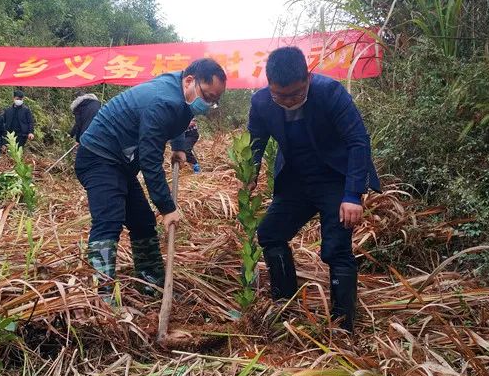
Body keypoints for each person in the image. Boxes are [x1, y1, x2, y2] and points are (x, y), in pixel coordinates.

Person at [248, 46, 380, 333]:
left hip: (335, 179)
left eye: (295, 94)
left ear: (307, 78)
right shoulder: (261, 102)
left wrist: (352, 195)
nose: (287, 101)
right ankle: (285, 305)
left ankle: (343, 326)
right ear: (268, 83)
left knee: (336, 248)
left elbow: (358, 140)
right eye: (279, 95)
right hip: (296, 180)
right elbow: (255, 142)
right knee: (270, 233)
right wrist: (250, 174)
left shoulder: (330, 93)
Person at [76, 59, 226, 299]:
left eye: (213, 100)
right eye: (207, 96)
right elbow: (149, 161)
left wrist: (179, 146)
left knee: (143, 222)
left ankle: (151, 282)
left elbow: (178, 117)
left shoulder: (178, 89)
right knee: (109, 221)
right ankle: (100, 295)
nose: (208, 104)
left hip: (121, 162)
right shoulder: (162, 101)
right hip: (98, 157)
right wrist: (167, 208)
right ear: (190, 81)